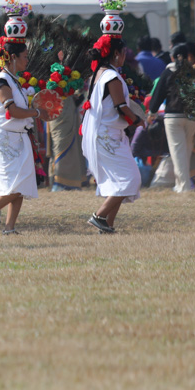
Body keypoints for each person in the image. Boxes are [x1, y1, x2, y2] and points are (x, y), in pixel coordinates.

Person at [80, 15, 141, 234]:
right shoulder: (111, 77)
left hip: (107, 134)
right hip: (107, 136)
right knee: (130, 179)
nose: (125, 56)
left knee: (119, 181)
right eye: (124, 52)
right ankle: (98, 216)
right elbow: (121, 107)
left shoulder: (100, 74)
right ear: (117, 53)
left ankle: (107, 224)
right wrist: (139, 120)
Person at [0, 30, 43, 235]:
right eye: (24, 57)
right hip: (6, 138)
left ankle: (9, 227)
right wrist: (37, 112)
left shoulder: (13, 80)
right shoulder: (1, 80)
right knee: (14, 184)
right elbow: (12, 111)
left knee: (22, 183)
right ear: (13, 57)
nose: (27, 61)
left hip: (19, 137)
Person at [147, 43, 195, 193]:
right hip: (191, 116)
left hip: (173, 117)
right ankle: (181, 183)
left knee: (178, 152)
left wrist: (152, 112)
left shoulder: (168, 72)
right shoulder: (193, 72)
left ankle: (184, 186)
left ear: (172, 57)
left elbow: (158, 94)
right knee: (186, 151)